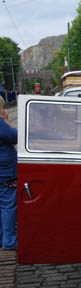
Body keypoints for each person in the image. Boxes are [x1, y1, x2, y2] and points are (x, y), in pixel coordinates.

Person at [0, 96, 17, 250]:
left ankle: (2, 237)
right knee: (8, 206)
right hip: (5, 174)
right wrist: (5, 120)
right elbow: (14, 136)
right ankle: (10, 241)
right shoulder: (0, 124)